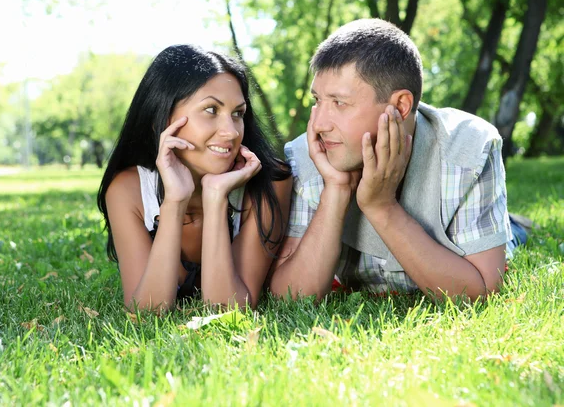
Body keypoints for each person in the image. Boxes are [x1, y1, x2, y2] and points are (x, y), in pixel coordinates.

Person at [269, 18, 522, 301]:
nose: (319, 124)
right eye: (318, 101)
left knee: (513, 234)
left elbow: (482, 292)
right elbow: (289, 298)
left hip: (475, 220)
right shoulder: (308, 153)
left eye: (339, 103)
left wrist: (382, 207)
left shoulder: (468, 149)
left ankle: (514, 225)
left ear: (400, 106)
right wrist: (336, 190)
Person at [97, 45, 292, 312]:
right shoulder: (128, 190)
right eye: (211, 110)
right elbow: (147, 311)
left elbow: (228, 308)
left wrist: (216, 197)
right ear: (163, 118)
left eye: (237, 113)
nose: (232, 132)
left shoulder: (270, 182)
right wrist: (175, 202)